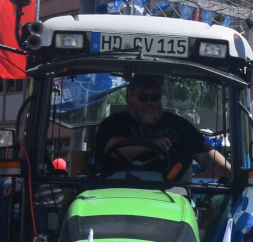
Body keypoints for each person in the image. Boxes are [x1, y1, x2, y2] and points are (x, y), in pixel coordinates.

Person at [94, 74, 230, 177]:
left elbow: (206, 156)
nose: (149, 102)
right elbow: (112, 148)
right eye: (143, 97)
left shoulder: (179, 125)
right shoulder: (113, 123)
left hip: (172, 192)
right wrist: (150, 144)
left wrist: (232, 174)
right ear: (129, 98)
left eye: (155, 97)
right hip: (117, 189)